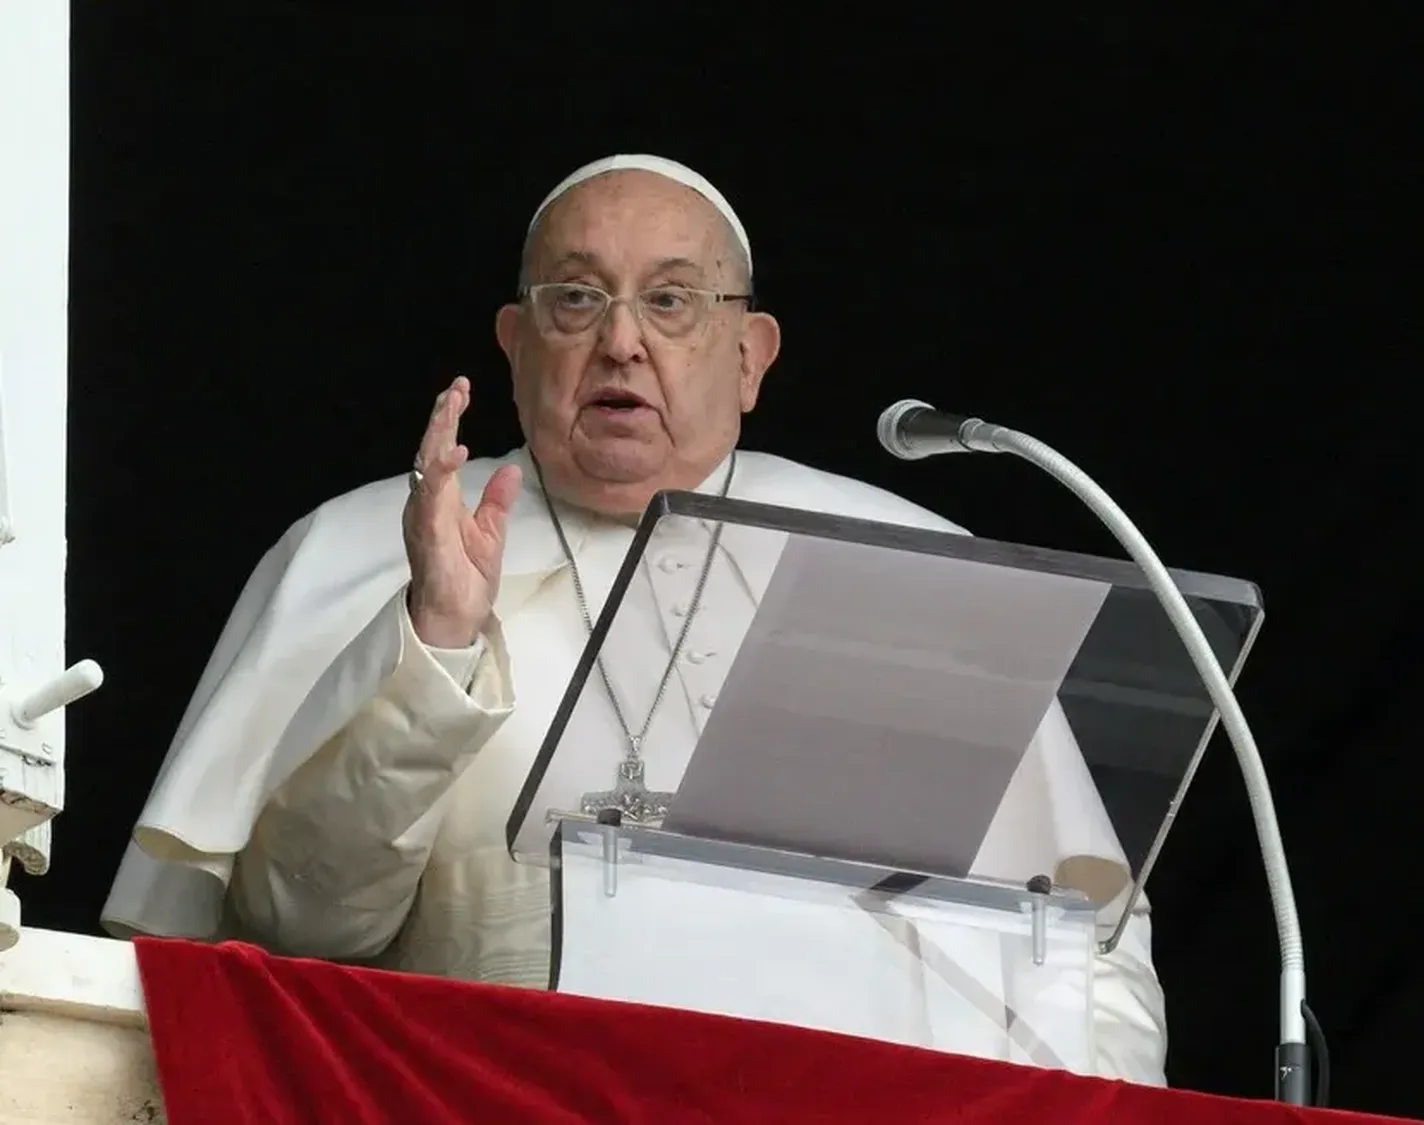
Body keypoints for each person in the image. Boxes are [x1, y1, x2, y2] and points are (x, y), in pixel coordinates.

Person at [103, 155, 1167, 1082]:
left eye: (672, 302)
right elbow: (287, 940)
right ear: (517, 344)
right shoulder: (363, 546)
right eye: (576, 299)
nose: (620, 342)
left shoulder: (911, 564)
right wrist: (435, 644)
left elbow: (1084, 946)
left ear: (749, 356)